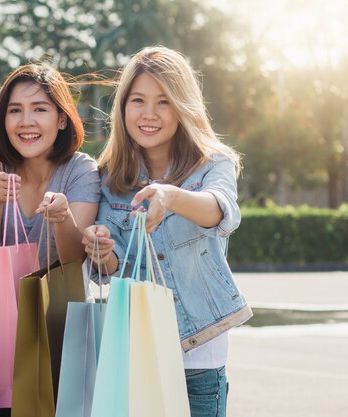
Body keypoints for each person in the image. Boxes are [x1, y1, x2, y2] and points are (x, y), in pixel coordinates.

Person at [82, 46, 252, 417]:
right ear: (123, 108)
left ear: (183, 107)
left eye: (164, 102)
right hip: (136, 347)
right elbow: (110, 267)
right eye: (138, 100)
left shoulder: (212, 162)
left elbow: (221, 212)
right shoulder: (110, 177)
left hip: (200, 349)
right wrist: (101, 248)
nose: (149, 114)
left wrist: (170, 196)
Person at [0, 63, 101, 415]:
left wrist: (63, 217)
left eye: (39, 109)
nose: (26, 121)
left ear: (61, 119)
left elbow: (75, 262)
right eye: (15, 110)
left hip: (59, 337)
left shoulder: (80, 170)